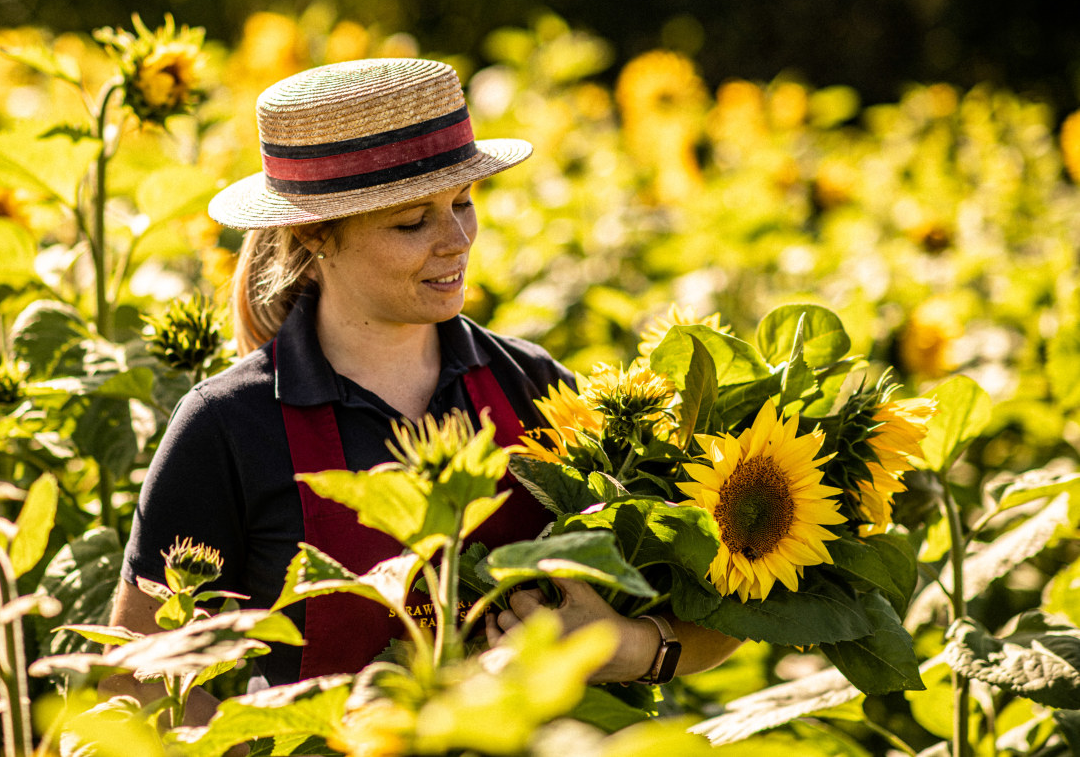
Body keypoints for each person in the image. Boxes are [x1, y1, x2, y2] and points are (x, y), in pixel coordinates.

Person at [105, 57, 737, 723]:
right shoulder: (228, 426)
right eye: (412, 223)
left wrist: (627, 646)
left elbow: (725, 599)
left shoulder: (532, 387)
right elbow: (136, 674)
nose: (457, 240)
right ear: (316, 234)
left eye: (462, 204)